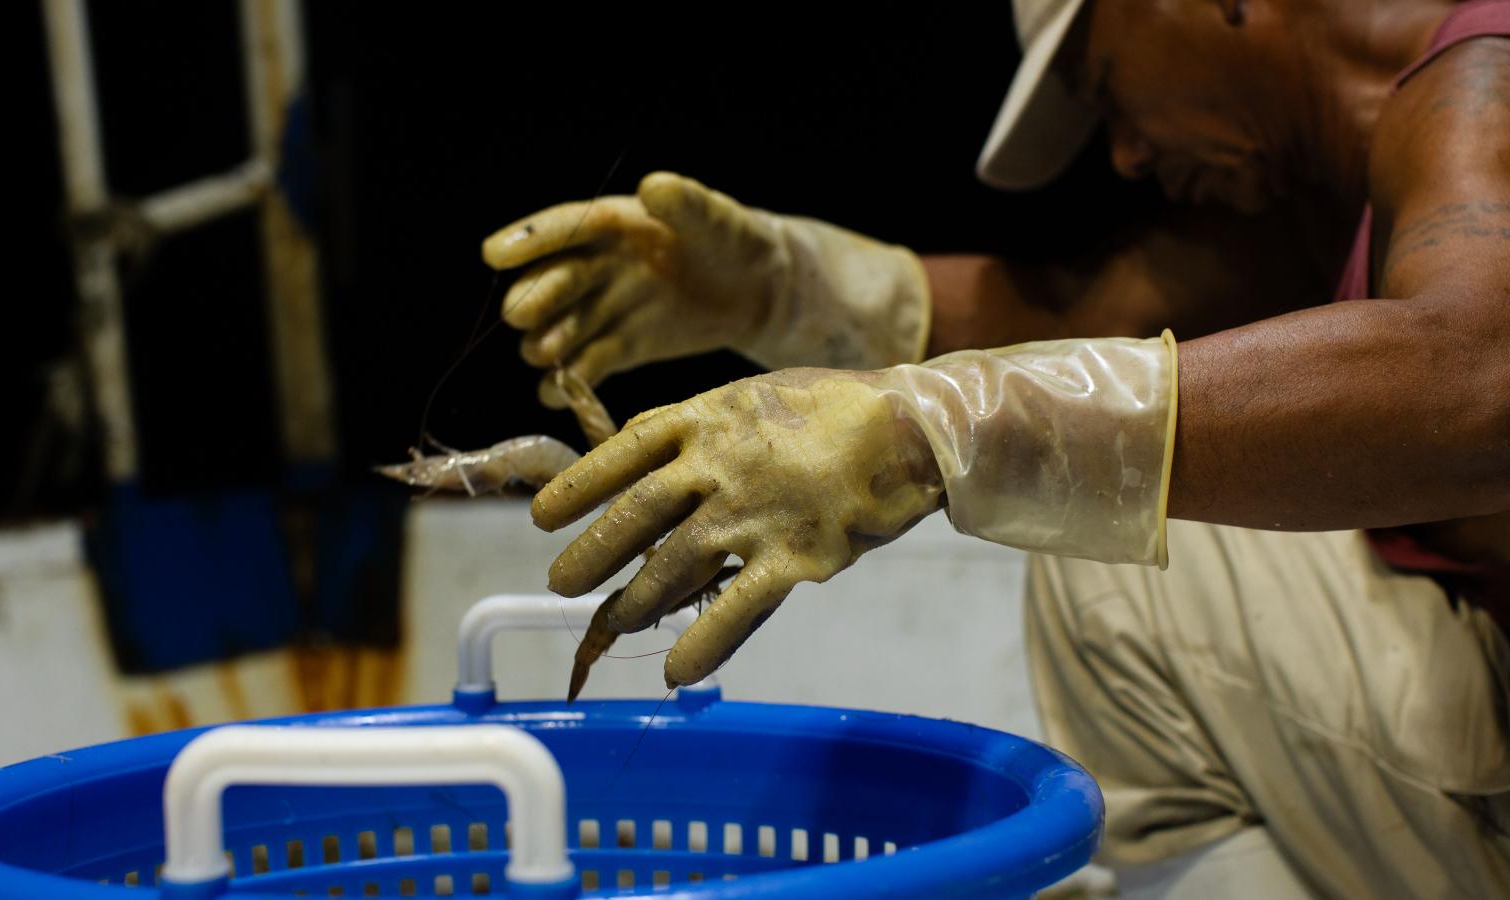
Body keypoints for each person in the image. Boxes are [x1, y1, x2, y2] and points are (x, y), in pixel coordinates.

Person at [480, 1, 1509, 894]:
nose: (1126, 154)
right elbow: (1086, 326)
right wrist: (782, 289)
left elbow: (1483, 376)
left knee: (1130, 582)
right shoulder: (1337, 181)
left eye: (1101, 85)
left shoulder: (1480, 83)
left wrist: (938, 430)